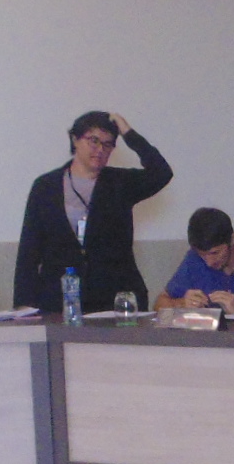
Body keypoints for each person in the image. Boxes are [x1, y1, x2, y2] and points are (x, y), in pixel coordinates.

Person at [15, 110, 173, 313]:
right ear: (75, 139)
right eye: (93, 141)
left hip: (115, 300)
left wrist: (128, 133)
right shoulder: (46, 186)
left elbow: (162, 173)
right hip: (60, 301)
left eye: (108, 144)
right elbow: (29, 250)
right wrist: (24, 304)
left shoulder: (120, 183)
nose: (100, 149)